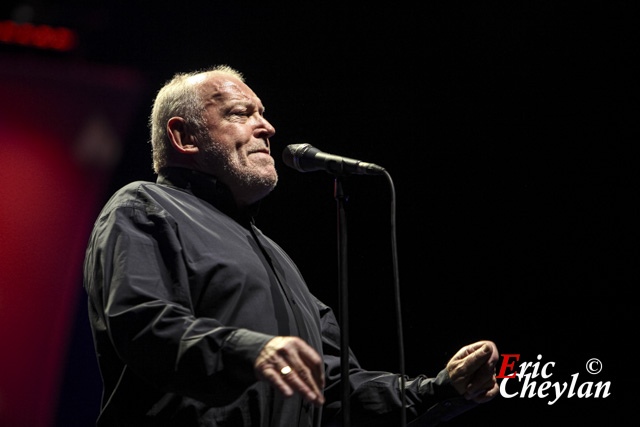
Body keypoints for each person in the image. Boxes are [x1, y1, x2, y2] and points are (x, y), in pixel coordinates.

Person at [83, 65, 499, 426]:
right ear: (184, 135)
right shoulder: (144, 206)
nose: (266, 127)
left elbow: (335, 387)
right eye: (241, 113)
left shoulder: (276, 258)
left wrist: (439, 388)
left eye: (262, 114)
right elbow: (144, 326)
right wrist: (253, 351)